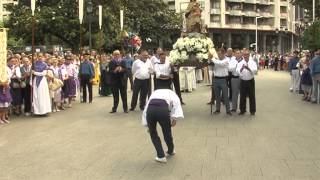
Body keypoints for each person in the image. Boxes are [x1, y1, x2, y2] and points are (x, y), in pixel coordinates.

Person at [142, 89, 184, 163]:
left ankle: (161, 156)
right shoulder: (172, 93)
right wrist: (175, 118)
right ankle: (171, 150)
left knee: (153, 133)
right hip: (163, 110)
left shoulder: (154, 92)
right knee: (167, 131)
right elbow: (177, 104)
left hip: (150, 110)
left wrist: (147, 125)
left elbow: (146, 107)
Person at [236, 49, 257, 115]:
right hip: (243, 81)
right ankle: (242, 110)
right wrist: (241, 69)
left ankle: (252, 110)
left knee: (252, 96)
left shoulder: (252, 62)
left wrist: (249, 69)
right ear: (243, 55)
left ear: (249, 55)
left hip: (250, 81)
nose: (246, 56)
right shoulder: (240, 63)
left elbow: (255, 70)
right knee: (242, 96)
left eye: (247, 54)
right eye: (244, 55)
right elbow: (237, 71)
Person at [212, 49, 232, 115]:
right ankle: (218, 109)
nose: (218, 55)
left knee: (225, 96)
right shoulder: (216, 60)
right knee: (217, 96)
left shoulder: (227, 60)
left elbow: (221, 64)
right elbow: (210, 66)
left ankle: (228, 110)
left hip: (223, 79)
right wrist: (210, 61)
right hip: (215, 79)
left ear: (223, 54)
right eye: (218, 54)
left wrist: (213, 59)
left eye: (220, 54)